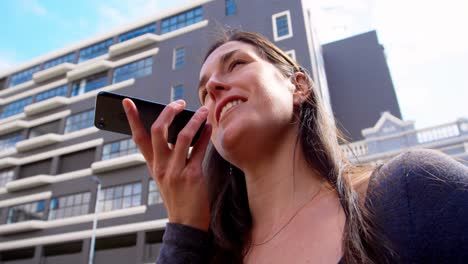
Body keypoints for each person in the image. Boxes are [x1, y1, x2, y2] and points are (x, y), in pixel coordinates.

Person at [122, 31, 468, 263]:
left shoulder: (411, 191)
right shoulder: (211, 255)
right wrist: (183, 230)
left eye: (237, 64)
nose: (212, 85)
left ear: (298, 86)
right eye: (202, 92)